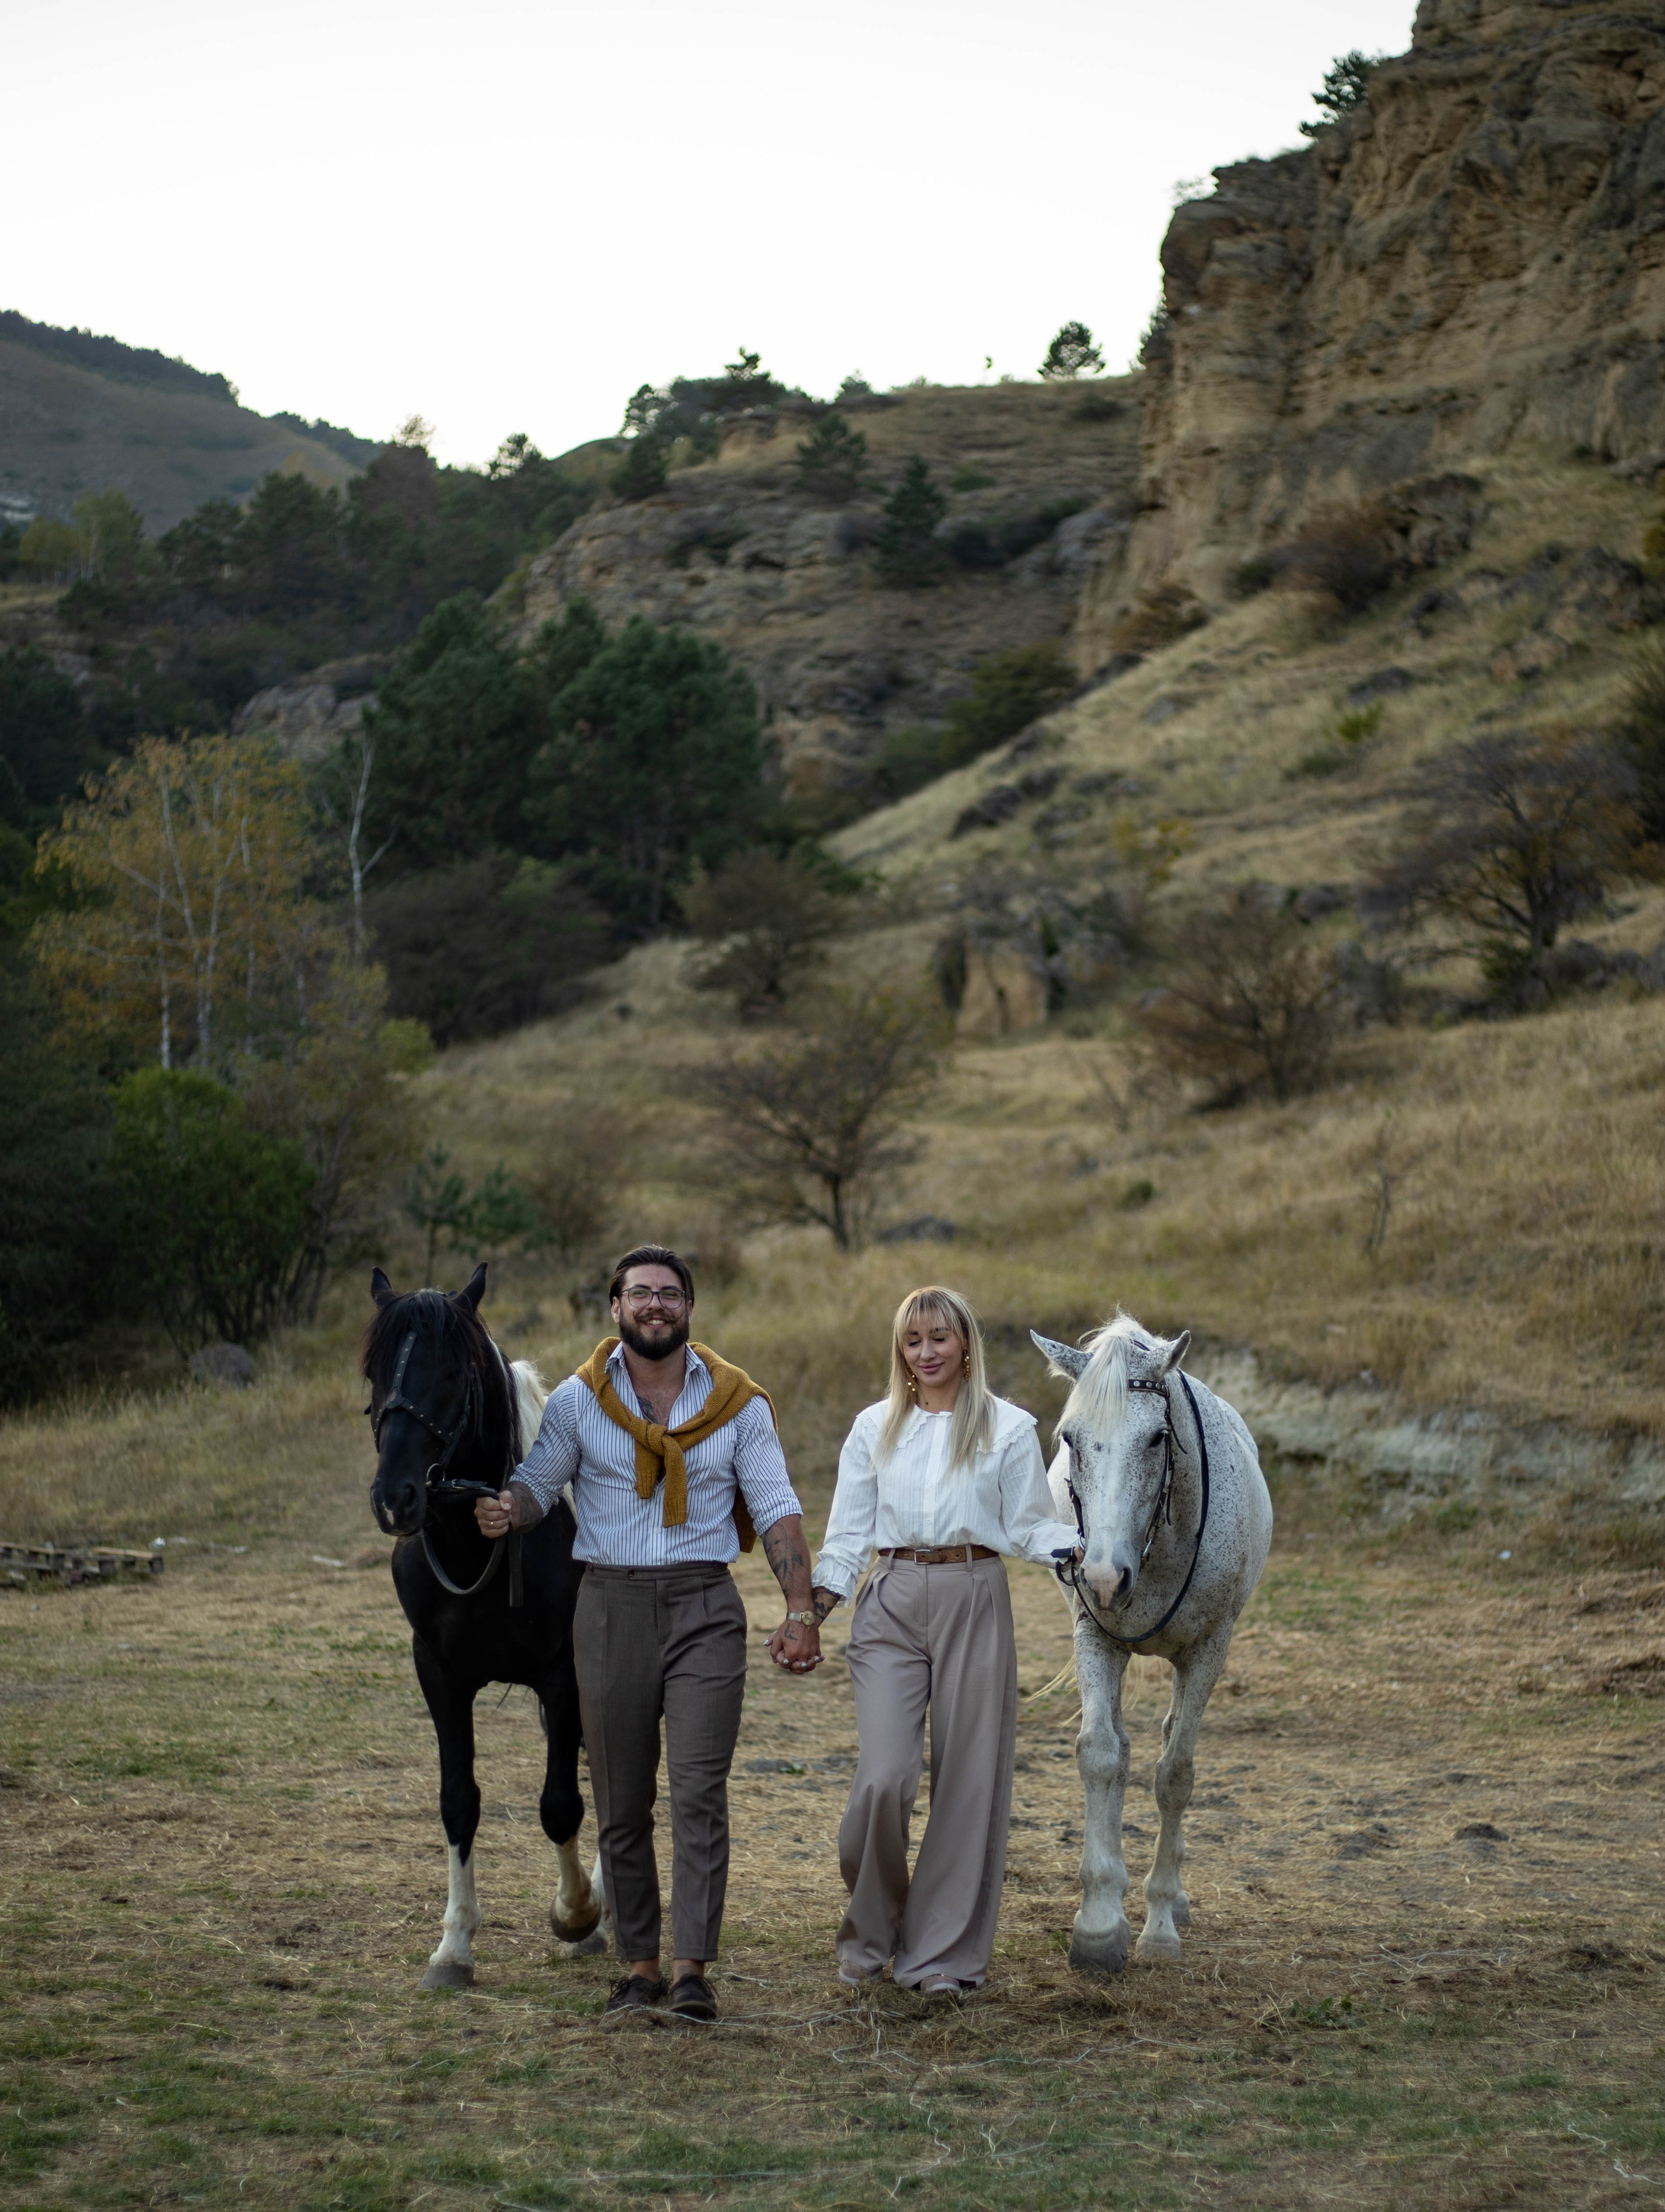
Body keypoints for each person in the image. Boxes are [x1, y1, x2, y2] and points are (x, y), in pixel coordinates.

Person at [475, 1243, 820, 2022]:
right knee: (621, 1799)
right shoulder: (576, 1400)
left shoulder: (738, 1401)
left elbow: (775, 1505)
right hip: (607, 1607)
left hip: (704, 1604)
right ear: (615, 1307)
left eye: (670, 1293)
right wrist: (509, 1509)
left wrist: (799, 1608)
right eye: (640, 1293)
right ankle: (638, 1968)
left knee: (700, 1792)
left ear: (689, 1309)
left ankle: (693, 1968)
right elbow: (537, 1484)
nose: (655, 1304)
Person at [809, 1285, 1081, 1996]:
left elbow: (1028, 1523)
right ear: (899, 1351)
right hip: (890, 1599)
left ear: (965, 1344)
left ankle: (941, 1958)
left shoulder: (1009, 1426)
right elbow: (847, 1532)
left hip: (973, 1592)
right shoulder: (874, 1426)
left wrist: (1086, 1551)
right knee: (885, 1777)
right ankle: (869, 1933)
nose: (926, 1352)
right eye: (912, 1340)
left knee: (969, 1781)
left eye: (939, 1337)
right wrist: (811, 1611)